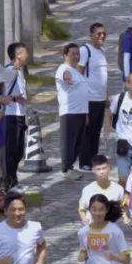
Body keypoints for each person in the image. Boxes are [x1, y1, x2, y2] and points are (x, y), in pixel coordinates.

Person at [78, 23, 109, 172]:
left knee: (97, 130)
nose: (102, 36)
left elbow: (103, 77)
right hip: (88, 98)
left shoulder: (102, 52)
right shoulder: (85, 50)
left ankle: (93, 159)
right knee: (87, 130)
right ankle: (84, 161)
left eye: (104, 34)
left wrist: (106, 96)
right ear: (91, 35)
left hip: (100, 98)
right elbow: (79, 73)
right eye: (99, 34)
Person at [55, 43, 90, 174]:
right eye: (73, 54)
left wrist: (86, 113)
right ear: (65, 55)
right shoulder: (63, 68)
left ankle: (71, 167)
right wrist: (67, 77)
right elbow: (64, 74)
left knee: (78, 143)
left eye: (78, 54)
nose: (76, 56)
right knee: (68, 142)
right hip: (69, 113)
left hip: (81, 112)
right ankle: (67, 168)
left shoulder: (77, 72)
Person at [3, 42, 31, 187]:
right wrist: (15, 98)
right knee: (12, 150)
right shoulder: (9, 71)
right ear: (18, 55)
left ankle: (13, 177)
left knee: (19, 150)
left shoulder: (19, 71)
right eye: (25, 52)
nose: (28, 55)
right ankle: (10, 180)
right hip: (11, 114)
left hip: (20, 114)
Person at [78, 155, 125, 225]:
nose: (102, 172)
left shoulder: (118, 189)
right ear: (93, 170)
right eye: (98, 169)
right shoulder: (87, 190)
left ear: (109, 168)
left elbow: (121, 208)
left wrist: (125, 218)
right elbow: (81, 209)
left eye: (104, 168)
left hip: (111, 229)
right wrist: (85, 221)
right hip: (92, 229)